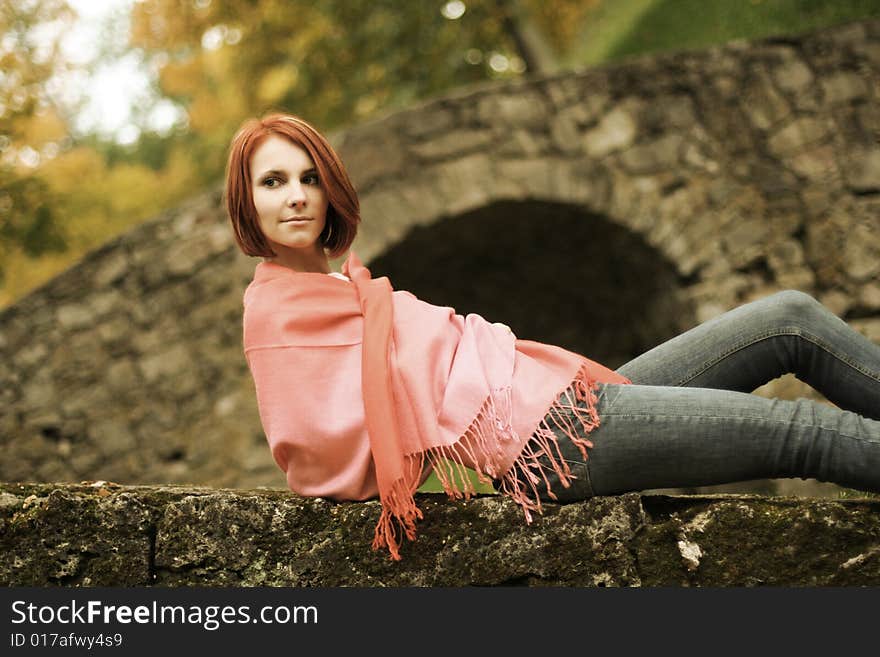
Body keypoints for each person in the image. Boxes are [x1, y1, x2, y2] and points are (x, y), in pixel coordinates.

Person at [226, 112, 880, 561]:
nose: (297, 196)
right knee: (800, 432)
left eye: (310, 176)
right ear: (245, 201)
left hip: (568, 399)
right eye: (274, 181)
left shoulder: (344, 286)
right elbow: (314, 452)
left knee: (787, 318)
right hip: (549, 442)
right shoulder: (277, 311)